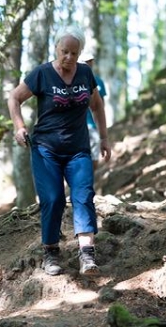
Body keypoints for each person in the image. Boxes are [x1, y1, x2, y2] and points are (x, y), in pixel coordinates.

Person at [7, 25, 112, 276]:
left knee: (83, 196)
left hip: (78, 149)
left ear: (79, 53)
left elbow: (97, 106)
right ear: (56, 48)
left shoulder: (86, 74)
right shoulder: (42, 74)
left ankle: (87, 255)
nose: (68, 57)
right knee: (53, 199)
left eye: (73, 53)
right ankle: (51, 252)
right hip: (46, 150)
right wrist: (19, 127)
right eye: (64, 51)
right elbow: (14, 98)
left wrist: (105, 137)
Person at [79, 52, 107, 171]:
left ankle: (90, 178)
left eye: (90, 61)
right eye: (85, 61)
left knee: (94, 155)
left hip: (93, 125)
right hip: (77, 126)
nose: (88, 63)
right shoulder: (73, 80)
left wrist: (103, 133)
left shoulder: (98, 82)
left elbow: (101, 106)